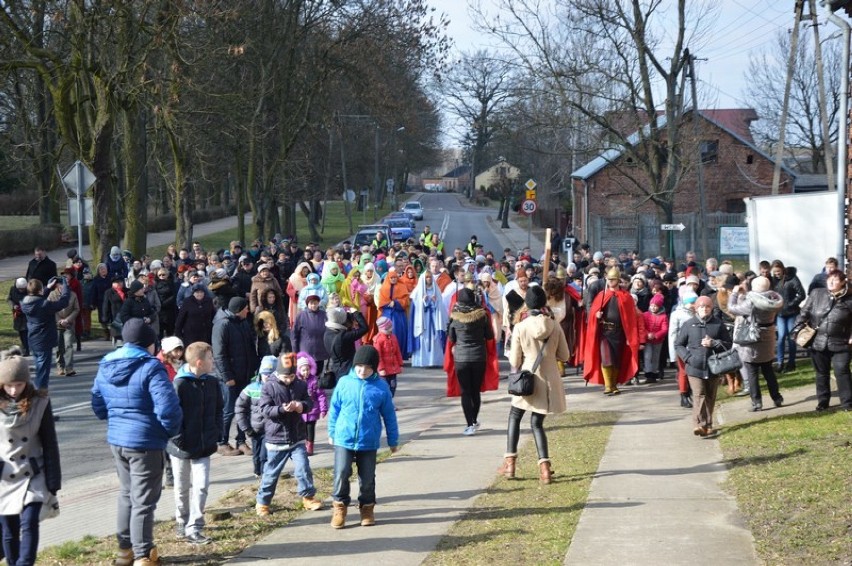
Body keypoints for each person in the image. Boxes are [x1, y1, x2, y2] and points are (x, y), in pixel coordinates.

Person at [91, 318, 183, 566]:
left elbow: (97, 404)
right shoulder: (151, 366)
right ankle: (144, 554)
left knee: (126, 494)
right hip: (146, 441)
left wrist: (115, 418)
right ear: (149, 344)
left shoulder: (106, 364)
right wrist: (167, 432)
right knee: (143, 500)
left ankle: (125, 551)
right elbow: (168, 408)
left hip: (117, 439)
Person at [498, 286, 570, 484]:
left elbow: (514, 360)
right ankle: (545, 469)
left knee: (514, 416)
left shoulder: (521, 326)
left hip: (528, 378)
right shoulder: (554, 325)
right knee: (537, 423)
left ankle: (510, 463)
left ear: (527, 304)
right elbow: (565, 355)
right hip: (549, 381)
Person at [0, 348, 61, 566]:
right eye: (8, 385)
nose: (14, 390)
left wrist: (54, 481)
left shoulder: (40, 402)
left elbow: (50, 442)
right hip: (4, 476)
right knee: (8, 530)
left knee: (29, 522)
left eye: (18, 384)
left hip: (33, 473)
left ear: (27, 381)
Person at [327, 345, 399, 529]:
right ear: (354, 365)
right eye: (359, 367)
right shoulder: (344, 382)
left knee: (367, 478)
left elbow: (389, 415)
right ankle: (340, 507)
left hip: (368, 440)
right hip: (344, 437)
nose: (363, 371)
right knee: (342, 472)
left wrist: (393, 439)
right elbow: (334, 409)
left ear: (374, 368)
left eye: (367, 368)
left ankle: (367, 508)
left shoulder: (381, 387)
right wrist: (332, 431)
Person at [166, 342, 222, 546]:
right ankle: (182, 520)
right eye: (210, 358)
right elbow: (171, 416)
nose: (213, 361)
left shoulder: (212, 383)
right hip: (181, 447)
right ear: (199, 362)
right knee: (181, 487)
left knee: (201, 486)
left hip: (204, 445)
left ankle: (195, 526)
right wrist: (179, 439)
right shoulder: (180, 384)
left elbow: (219, 409)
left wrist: (216, 433)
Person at [255, 353, 324, 517]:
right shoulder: (268, 387)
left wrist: (302, 406)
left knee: (303, 468)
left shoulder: (299, 385)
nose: (289, 379)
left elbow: (309, 402)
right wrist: (280, 409)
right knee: (271, 473)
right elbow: (264, 409)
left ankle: (308, 497)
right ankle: (263, 502)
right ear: (278, 373)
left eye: (292, 376)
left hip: (297, 437)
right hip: (276, 439)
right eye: (286, 376)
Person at [794, 269, 852, 411]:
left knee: (842, 370)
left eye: (836, 279)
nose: (831, 282)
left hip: (841, 342)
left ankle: (847, 403)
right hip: (818, 342)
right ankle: (823, 402)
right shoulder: (817, 294)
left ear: (844, 282)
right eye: (829, 279)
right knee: (821, 373)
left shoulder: (850, 299)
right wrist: (798, 328)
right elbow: (804, 313)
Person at [675, 295, 732, 437]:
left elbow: (729, 344)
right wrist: (688, 358)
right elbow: (679, 344)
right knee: (699, 394)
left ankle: (708, 424)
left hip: (713, 366)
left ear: (711, 308)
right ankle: (698, 424)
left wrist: (714, 343)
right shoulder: (689, 324)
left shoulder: (718, 324)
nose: (704, 309)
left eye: (707, 306)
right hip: (694, 367)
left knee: (710, 396)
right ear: (696, 309)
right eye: (701, 306)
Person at [727, 276, 784, 412]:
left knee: (752, 372)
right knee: (768, 371)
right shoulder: (774, 299)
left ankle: (756, 402)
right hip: (768, 336)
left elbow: (732, 308)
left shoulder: (751, 303)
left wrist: (735, 293)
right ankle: (776, 397)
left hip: (752, 339)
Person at [583, 267, 641, 395]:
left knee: (616, 360)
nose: (610, 282)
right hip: (605, 332)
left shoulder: (626, 297)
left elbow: (630, 318)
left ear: (618, 280)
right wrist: (596, 315)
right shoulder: (601, 295)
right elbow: (593, 312)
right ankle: (608, 386)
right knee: (606, 359)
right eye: (608, 279)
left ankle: (614, 385)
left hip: (619, 333)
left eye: (612, 279)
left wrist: (629, 336)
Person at [445, 288, 495, 435]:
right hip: (479, 356)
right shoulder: (482, 315)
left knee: (465, 392)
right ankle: (474, 419)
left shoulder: (455, 317)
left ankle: (469, 424)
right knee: (475, 391)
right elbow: (489, 335)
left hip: (461, 358)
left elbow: (452, 338)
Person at [213, 297, 258, 456]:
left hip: (245, 373)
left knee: (243, 409)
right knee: (229, 410)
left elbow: (250, 347)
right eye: (246, 308)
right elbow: (219, 355)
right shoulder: (222, 325)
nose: (248, 310)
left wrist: (254, 368)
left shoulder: (243, 322)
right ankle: (222, 442)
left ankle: (241, 441)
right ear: (239, 309)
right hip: (230, 377)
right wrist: (227, 376)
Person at [20, 277, 71, 394]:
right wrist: (65, 286)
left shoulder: (25, 303)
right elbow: (63, 302)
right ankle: (39, 396)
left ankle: (38, 393)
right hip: (44, 340)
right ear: (39, 291)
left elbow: (37, 300)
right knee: (43, 372)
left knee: (39, 368)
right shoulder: (44, 305)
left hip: (33, 339)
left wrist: (47, 288)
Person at [236, 355, 277, 479]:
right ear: (260, 373)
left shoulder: (278, 389)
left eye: (271, 374)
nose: (267, 377)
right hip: (255, 429)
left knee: (265, 455)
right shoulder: (251, 389)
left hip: (271, 429)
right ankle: (258, 472)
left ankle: (265, 476)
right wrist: (246, 428)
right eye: (265, 374)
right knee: (256, 454)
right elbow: (239, 408)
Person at [770, 260, 805, 373]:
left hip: (791, 313)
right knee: (780, 338)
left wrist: (790, 303)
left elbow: (801, 294)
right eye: (775, 272)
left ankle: (791, 362)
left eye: (778, 271)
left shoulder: (792, 278)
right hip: (780, 313)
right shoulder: (774, 280)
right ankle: (780, 363)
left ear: (783, 269)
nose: (777, 274)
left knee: (791, 338)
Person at [408, 271, 446, 367]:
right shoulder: (417, 292)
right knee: (423, 338)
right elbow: (415, 308)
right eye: (426, 277)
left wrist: (435, 301)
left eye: (430, 277)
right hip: (422, 320)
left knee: (435, 338)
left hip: (434, 319)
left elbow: (440, 305)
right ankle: (422, 361)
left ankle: (435, 361)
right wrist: (423, 302)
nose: (428, 279)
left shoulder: (436, 290)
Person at [668, 288, 698, 408]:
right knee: (683, 372)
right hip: (682, 349)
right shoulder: (677, 314)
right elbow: (672, 334)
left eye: (694, 302)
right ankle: (683, 395)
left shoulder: (698, 313)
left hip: (696, 348)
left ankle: (694, 392)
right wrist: (672, 354)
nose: (692, 305)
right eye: (690, 302)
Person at [324, 307, 369, 385]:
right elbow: (364, 328)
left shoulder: (327, 333)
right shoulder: (343, 337)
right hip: (348, 370)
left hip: (336, 369)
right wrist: (356, 313)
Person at [296, 352, 328, 456]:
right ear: (299, 370)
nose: (306, 372)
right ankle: (303, 445)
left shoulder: (314, 380)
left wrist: (323, 409)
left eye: (307, 369)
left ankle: (310, 446)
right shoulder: (297, 382)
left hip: (312, 410)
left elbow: (321, 395)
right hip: (301, 411)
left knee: (310, 429)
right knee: (302, 429)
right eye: (303, 370)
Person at [375, 267, 411, 359]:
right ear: (388, 278)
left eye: (395, 277)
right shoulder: (384, 288)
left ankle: (400, 355)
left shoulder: (402, 286)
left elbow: (406, 300)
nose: (393, 279)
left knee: (400, 334)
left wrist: (396, 302)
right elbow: (382, 302)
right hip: (387, 314)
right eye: (391, 278)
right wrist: (388, 303)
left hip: (399, 314)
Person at [50, 277, 80, 377]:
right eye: (62, 284)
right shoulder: (52, 295)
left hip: (69, 324)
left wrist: (67, 320)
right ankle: (60, 366)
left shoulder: (72, 294)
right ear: (57, 285)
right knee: (59, 346)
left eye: (66, 284)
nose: (65, 286)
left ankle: (69, 368)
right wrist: (59, 320)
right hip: (56, 324)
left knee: (68, 345)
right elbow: (50, 308)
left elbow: (76, 309)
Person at [292, 293, 329, 374]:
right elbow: (295, 334)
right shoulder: (301, 315)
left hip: (320, 350)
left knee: (318, 372)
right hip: (306, 351)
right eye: (311, 303)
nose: (313, 305)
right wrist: (295, 350)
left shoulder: (324, 315)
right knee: (306, 374)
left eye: (315, 303)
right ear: (307, 304)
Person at [641, 293, 668, 384]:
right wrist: (647, 334)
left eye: (655, 306)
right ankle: (648, 374)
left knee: (655, 357)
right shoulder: (645, 315)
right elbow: (642, 327)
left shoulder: (663, 317)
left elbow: (664, 329)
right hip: (647, 339)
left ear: (659, 307)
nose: (653, 308)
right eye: (652, 305)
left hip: (658, 341)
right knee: (647, 356)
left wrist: (656, 335)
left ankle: (654, 373)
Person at [373, 316, 403, 397]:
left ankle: (389, 402)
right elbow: (378, 356)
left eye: (391, 328)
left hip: (393, 368)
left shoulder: (393, 337)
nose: (390, 330)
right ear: (381, 329)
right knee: (385, 388)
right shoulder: (378, 340)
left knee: (393, 386)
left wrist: (400, 364)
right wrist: (381, 368)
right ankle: (385, 405)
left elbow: (397, 352)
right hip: (384, 371)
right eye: (387, 329)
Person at [7, 278, 30, 356]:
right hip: (17, 315)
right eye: (20, 289)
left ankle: (27, 349)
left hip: (27, 314)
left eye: (23, 289)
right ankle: (25, 347)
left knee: (26, 332)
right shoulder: (12, 289)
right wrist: (13, 306)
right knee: (21, 332)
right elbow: (9, 299)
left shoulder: (29, 290)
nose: (21, 290)